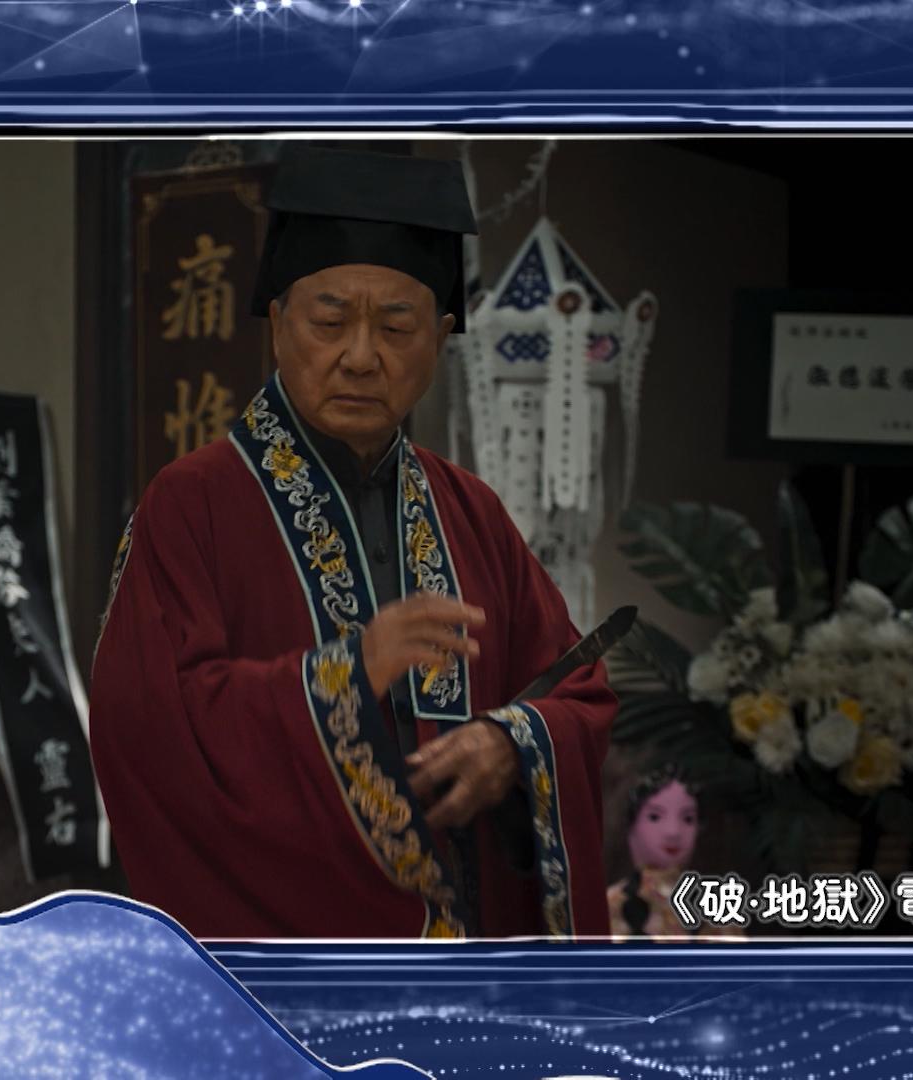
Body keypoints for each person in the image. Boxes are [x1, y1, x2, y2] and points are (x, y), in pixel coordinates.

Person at [90, 147, 618, 939]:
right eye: (330, 323)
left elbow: (576, 689)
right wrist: (346, 674)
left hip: (462, 954)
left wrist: (512, 745)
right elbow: (147, 729)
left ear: (440, 339)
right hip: (286, 959)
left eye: (397, 327)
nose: (363, 356)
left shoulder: (471, 511)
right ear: (278, 324)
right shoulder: (191, 504)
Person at [606, 765, 740, 942]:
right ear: (632, 824)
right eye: (655, 817)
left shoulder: (716, 905)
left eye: (688, 819)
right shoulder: (610, 905)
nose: (673, 832)